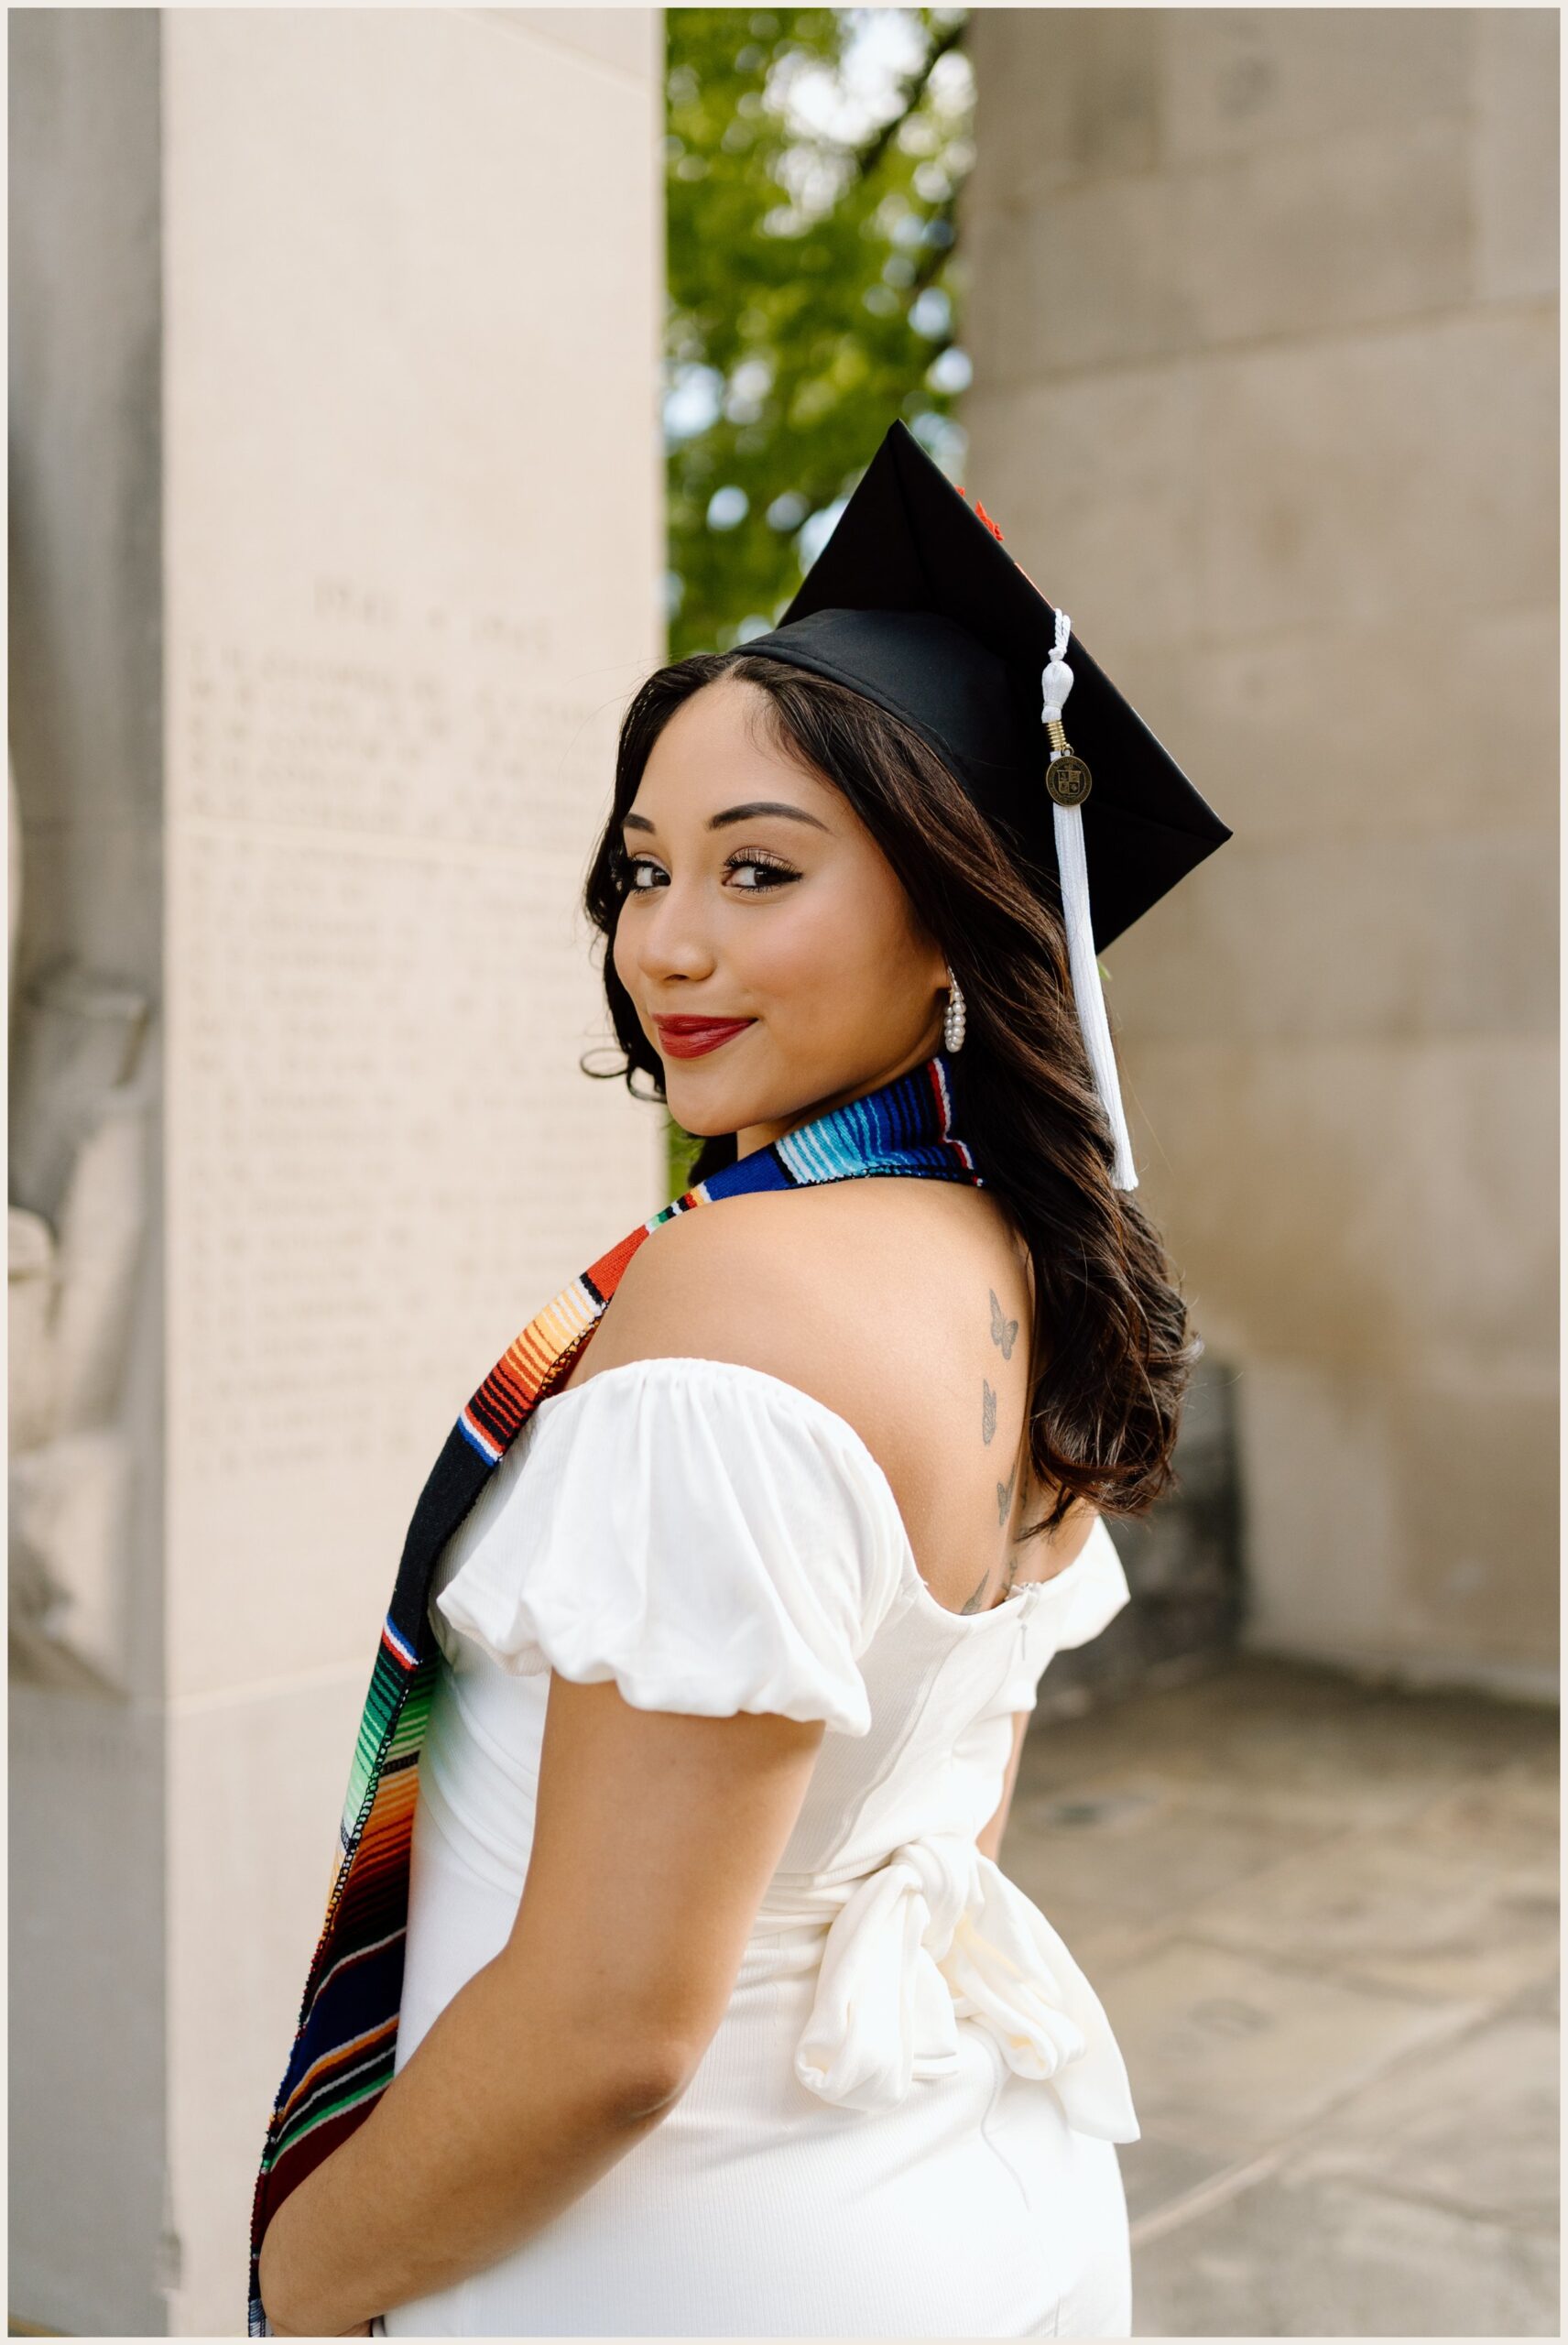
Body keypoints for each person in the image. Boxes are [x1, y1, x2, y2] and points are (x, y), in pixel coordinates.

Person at [252, 420, 1230, 2340]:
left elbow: (612, 2026)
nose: (665, 946)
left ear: (953, 906)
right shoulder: (1029, 1265)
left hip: (670, 2258)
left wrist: (305, 2278)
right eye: (641, 870)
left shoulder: (732, 1308)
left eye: (757, 870)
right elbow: (934, 1810)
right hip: (959, 2187)